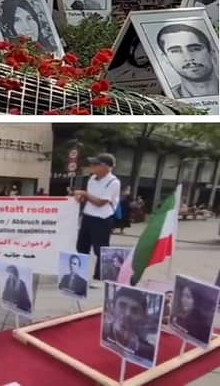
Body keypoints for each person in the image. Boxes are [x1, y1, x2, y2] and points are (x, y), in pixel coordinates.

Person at [73, 154, 119, 288]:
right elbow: (90, 198)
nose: (92, 167)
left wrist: (84, 194)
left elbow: (100, 202)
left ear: (105, 167)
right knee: (82, 247)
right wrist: (82, 198)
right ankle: (80, 275)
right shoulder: (92, 179)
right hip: (88, 216)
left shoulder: (113, 182)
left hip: (102, 219)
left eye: (95, 164)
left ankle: (99, 278)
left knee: (100, 249)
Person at [155, 24, 218, 99]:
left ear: (212, 53)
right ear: (165, 58)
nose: (188, 58)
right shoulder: (166, 102)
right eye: (175, 51)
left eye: (195, 49)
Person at [104, 286, 156, 361]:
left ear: (143, 318)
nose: (127, 314)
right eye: (122, 306)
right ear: (112, 309)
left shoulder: (150, 354)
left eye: (134, 310)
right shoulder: (103, 334)